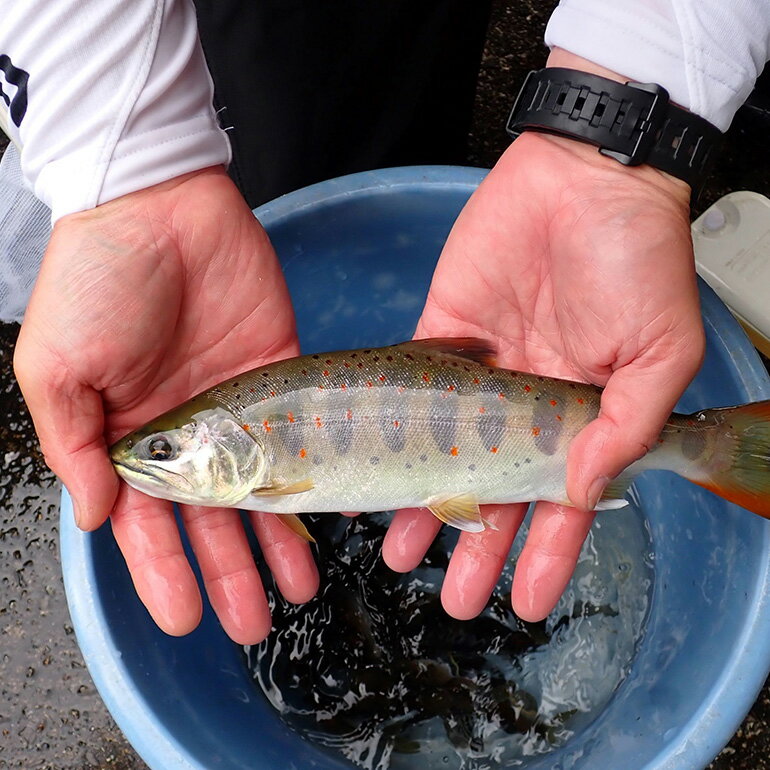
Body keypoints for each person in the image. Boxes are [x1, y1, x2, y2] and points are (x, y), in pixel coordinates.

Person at [3, 0, 769, 645]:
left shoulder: (269, 474)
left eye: (167, 448)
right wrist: (125, 167)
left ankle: (714, 446)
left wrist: (628, 105)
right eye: (163, 450)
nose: (150, 458)